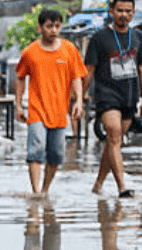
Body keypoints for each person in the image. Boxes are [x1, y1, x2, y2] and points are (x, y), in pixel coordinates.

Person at [14, 9, 86, 195]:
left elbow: (77, 76)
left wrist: (79, 100)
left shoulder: (69, 49)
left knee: (56, 156)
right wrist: (18, 104)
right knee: (36, 149)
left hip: (60, 111)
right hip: (37, 109)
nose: (53, 30)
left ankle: (45, 190)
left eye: (57, 26)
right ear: (40, 27)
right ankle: (36, 192)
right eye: (49, 26)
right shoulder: (30, 52)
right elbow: (20, 77)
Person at [84, 0, 142, 198]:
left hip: (129, 96)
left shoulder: (138, 36)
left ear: (133, 13)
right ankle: (122, 187)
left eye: (128, 11)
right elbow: (89, 69)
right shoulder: (99, 38)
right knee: (113, 135)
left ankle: (98, 184)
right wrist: (79, 98)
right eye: (119, 10)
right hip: (107, 95)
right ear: (111, 11)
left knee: (114, 143)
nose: (123, 14)